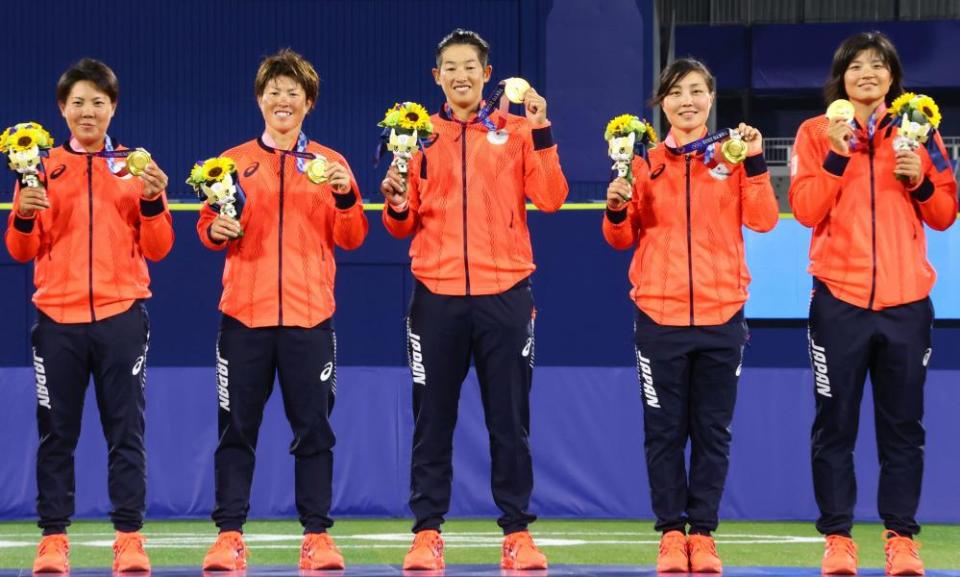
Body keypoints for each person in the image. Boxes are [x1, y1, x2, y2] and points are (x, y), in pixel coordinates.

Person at [379, 28, 568, 571]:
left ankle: (516, 535)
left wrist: (542, 127)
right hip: (435, 298)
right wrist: (394, 201)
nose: (460, 75)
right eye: (450, 67)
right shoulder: (414, 137)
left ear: (488, 75)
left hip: (505, 296)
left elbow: (552, 198)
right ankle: (427, 534)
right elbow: (400, 223)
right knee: (431, 422)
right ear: (436, 77)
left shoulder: (515, 128)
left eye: (470, 66)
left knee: (510, 423)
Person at [788, 31, 956, 576]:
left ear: (892, 76)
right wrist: (838, 155)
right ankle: (838, 539)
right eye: (856, 65)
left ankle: (900, 539)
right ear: (841, 75)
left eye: (878, 65)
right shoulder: (815, 134)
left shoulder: (919, 129)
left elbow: (945, 213)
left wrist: (922, 184)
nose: (867, 73)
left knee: (904, 427)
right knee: (834, 423)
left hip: (907, 302)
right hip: (839, 299)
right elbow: (807, 210)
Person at [602, 58, 777, 573]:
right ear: (662, 103)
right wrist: (615, 209)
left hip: (722, 315)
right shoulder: (642, 162)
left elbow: (765, 220)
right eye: (676, 92)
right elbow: (619, 239)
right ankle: (670, 536)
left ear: (711, 99)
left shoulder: (732, 155)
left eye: (697, 91)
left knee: (712, 433)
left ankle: (702, 535)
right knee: (663, 433)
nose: (687, 101)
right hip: (659, 317)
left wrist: (757, 162)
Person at [196, 49, 368, 571]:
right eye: (274, 91)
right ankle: (229, 536)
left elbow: (354, 236)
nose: (282, 100)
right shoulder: (228, 164)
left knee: (314, 430)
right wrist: (212, 229)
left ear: (308, 102)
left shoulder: (332, 165)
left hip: (309, 318)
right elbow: (208, 226)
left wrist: (343, 198)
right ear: (259, 99)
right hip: (243, 318)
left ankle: (316, 537)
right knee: (235, 430)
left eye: (293, 92)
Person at [4, 58, 174, 573]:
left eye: (98, 102)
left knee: (127, 433)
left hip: (122, 316)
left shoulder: (137, 168)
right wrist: (24, 213)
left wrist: (150, 201)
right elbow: (19, 250)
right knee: (57, 434)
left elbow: (160, 246)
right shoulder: (39, 168)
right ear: (62, 108)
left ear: (112, 108)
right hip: (56, 320)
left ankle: (129, 540)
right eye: (77, 102)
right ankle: (53, 540)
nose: (87, 111)